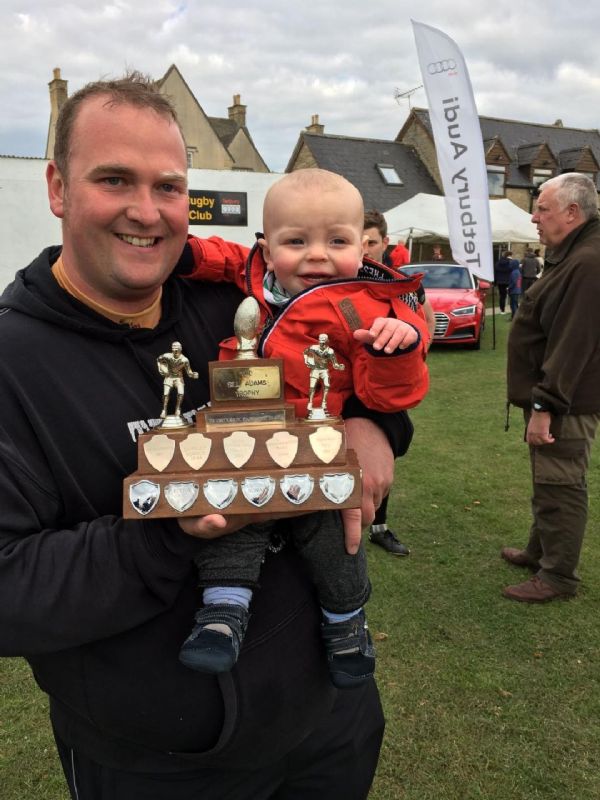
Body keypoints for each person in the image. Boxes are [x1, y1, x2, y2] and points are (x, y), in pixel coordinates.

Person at [0, 73, 412, 799]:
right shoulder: (13, 363)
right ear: (59, 188)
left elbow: (355, 361)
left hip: (330, 716)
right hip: (161, 762)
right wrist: (174, 528)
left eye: (168, 187)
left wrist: (375, 425)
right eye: (115, 180)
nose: (147, 212)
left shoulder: (240, 301)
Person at [178, 170, 430, 682]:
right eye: (297, 241)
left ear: (364, 247)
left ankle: (346, 621)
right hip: (251, 441)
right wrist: (183, 254)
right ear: (267, 251)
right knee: (231, 516)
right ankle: (222, 615)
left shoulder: (370, 307)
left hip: (322, 446)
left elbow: (388, 395)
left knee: (336, 533)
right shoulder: (253, 278)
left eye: (336, 240)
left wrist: (397, 349)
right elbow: (220, 256)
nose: (317, 255)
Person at [502, 172, 600, 603]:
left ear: (572, 213)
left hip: (566, 402)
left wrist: (546, 404)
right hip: (560, 397)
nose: (533, 216)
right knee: (549, 479)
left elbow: (573, 341)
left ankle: (559, 576)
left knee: (561, 484)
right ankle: (540, 552)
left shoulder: (588, 261)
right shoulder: (575, 254)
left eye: (542, 207)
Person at [357, 209, 435, 556]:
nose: (365, 248)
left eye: (371, 242)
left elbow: (425, 316)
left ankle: (379, 526)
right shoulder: (341, 276)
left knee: (387, 451)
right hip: (345, 387)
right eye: (357, 240)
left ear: (384, 242)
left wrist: (415, 357)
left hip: (384, 385)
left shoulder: (401, 283)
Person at [157, 340, 199, 419]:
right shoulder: (167, 356)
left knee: (181, 393)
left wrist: (193, 375)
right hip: (169, 377)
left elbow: (189, 372)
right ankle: (164, 410)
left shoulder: (185, 360)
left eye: (177, 349)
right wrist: (162, 369)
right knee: (166, 394)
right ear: (172, 349)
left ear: (181, 349)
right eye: (174, 348)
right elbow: (158, 360)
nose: (175, 350)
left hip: (179, 378)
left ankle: (178, 408)